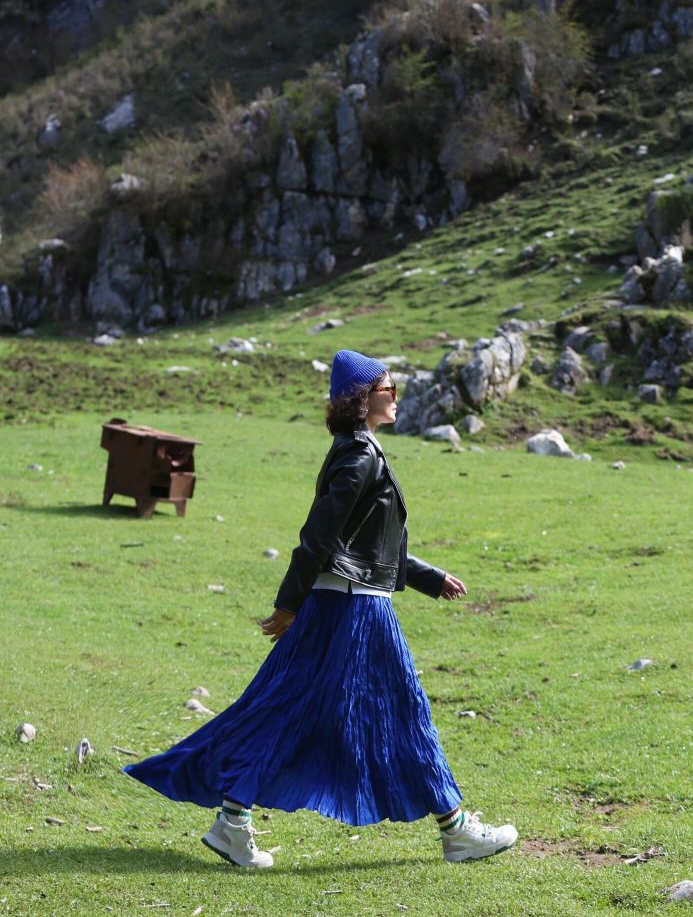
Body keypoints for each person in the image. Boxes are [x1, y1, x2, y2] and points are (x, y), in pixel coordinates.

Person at [123, 348, 518, 867]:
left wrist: (428, 577)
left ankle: (233, 822)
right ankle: (457, 831)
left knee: (287, 711)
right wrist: (288, 606)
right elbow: (318, 537)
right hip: (357, 612)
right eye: (387, 389)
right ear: (362, 400)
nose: (395, 398)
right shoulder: (358, 456)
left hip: (345, 602)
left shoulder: (358, 450)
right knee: (404, 713)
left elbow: (374, 543)